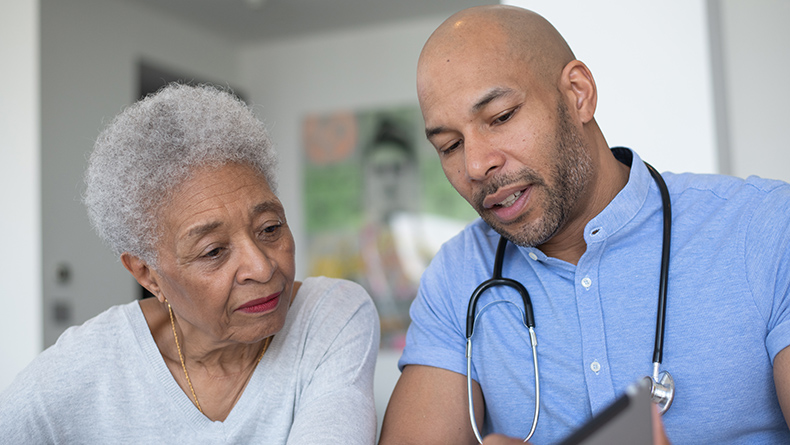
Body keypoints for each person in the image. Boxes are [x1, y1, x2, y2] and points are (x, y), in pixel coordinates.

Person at [379, 5, 790, 444]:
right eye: (450, 145)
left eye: (500, 117)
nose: (477, 164)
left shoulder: (764, 227)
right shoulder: (460, 274)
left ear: (578, 93)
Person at [0, 83, 380, 443]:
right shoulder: (84, 369)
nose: (262, 268)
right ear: (147, 274)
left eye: (269, 228)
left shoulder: (330, 315)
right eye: (214, 251)